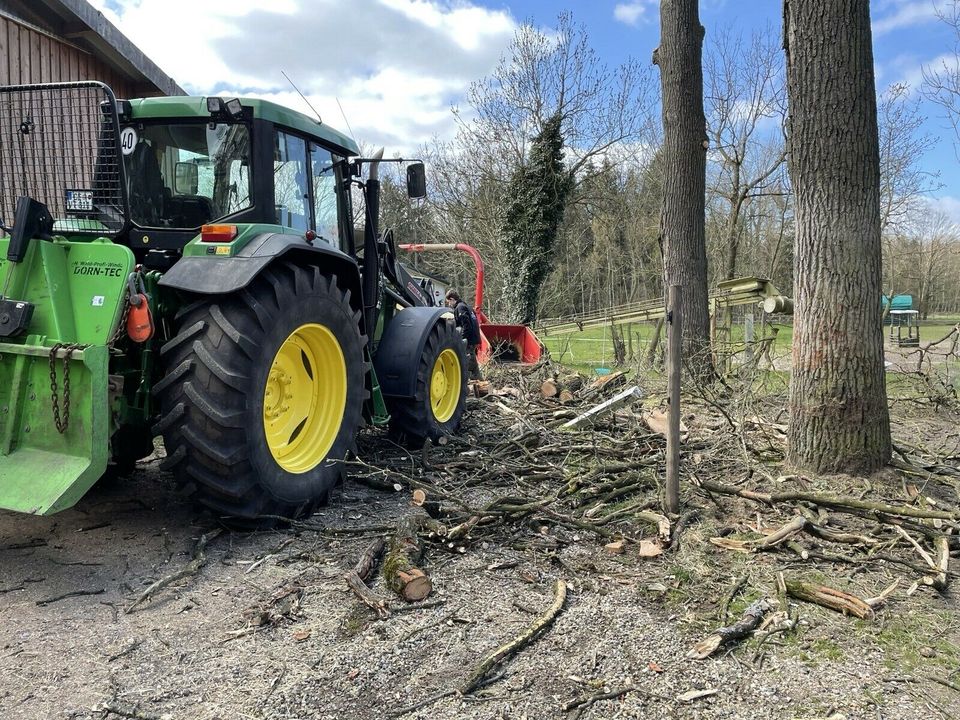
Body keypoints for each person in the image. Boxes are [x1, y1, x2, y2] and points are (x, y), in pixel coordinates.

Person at [445, 289, 481, 379]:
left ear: (452, 299)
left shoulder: (460, 308)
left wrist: (462, 340)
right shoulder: (466, 305)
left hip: (469, 339)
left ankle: (465, 380)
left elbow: (466, 325)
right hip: (475, 337)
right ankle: (478, 380)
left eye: (449, 302)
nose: (449, 305)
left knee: (467, 362)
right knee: (472, 361)